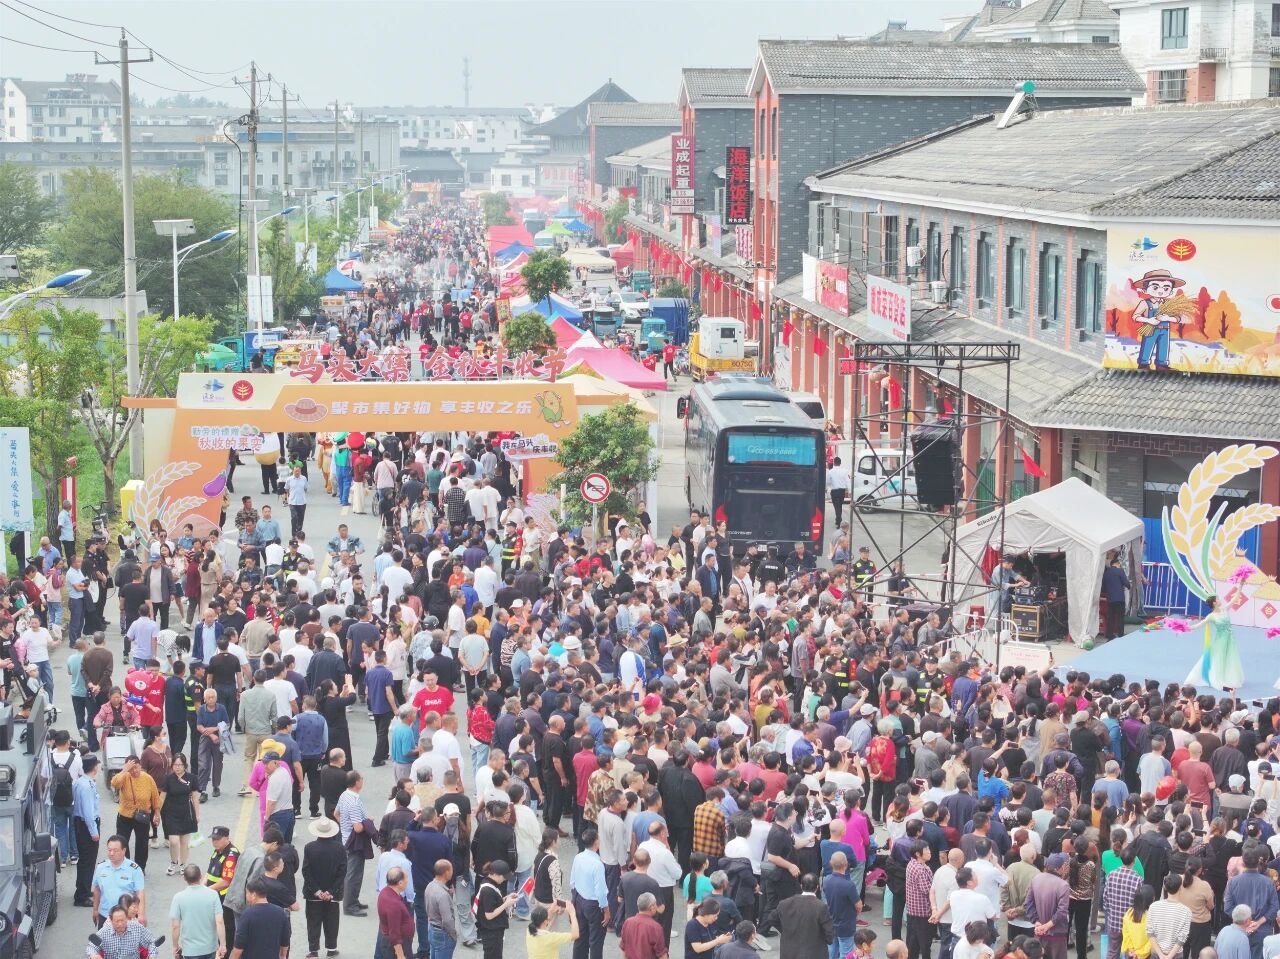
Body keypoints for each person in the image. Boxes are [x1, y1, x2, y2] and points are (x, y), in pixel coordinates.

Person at [302, 815, 346, 958]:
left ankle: (313, 950)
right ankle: (331, 948)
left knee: (313, 921)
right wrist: (331, 891)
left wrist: (317, 890)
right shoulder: (340, 848)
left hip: (313, 894)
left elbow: (306, 871)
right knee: (332, 921)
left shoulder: (309, 848)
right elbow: (342, 872)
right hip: (333, 894)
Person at [111, 754, 160, 872]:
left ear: (140, 766)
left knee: (142, 844)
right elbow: (114, 783)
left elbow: (155, 797)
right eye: (131, 768)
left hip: (142, 816)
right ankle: (125, 867)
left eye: (136, 767)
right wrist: (124, 770)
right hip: (125, 816)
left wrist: (157, 813)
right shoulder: (124, 777)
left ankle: (140, 868)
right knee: (122, 842)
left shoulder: (148, 778)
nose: (134, 771)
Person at [1184, 594, 1243, 690]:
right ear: (1214, 603)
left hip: (1230, 639)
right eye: (1218, 599)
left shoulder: (1224, 609)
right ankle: (1208, 677)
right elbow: (1199, 625)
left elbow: (1235, 599)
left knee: (1230, 658)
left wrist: (1240, 586)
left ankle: (1227, 677)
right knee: (1217, 658)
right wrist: (1186, 628)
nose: (1220, 600)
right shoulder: (1211, 616)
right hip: (1220, 641)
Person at [170, 862, 227, 959]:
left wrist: (175, 946)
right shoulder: (213, 894)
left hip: (190, 950)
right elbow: (219, 921)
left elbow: (175, 926)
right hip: (210, 947)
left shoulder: (178, 898)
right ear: (200, 876)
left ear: (184, 878)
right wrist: (222, 945)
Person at [569, 826, 610, 959]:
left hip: (579, 899)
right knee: (596, 942)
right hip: (593, 905)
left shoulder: (578, 857)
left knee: (580, 938)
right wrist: (606, 910)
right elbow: (601, 892)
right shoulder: (597, 864)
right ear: (596, 842)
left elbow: (572, 882)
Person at [92, 835, 146, 929]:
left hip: (127, 917)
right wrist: (95, 909)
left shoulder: (134, 869)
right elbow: (97, 889)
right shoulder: (101, 867)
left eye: (115, 850)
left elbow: (140, 893)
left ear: (124, 850)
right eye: (109, 850)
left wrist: (141, 914)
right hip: (105, 915)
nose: (111, 853)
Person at [158, 752, 200, 876]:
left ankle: (183, 864)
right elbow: (162, 797)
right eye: (175, 765)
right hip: (170, 813)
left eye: (180, 765)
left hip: (187, 813)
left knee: (184, 842)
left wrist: (197, 815)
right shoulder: (168, 779)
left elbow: (195, 798)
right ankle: (173, 862)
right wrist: (157, 812)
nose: (177, 767)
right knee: (173, 841)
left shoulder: (192, 778)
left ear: (185, 765)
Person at [230, 878, 291, 959]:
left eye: (247, 893)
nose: (246, 896)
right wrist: (283, 955)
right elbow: (285, 939)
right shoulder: (280, 912)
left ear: (254, 895)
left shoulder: (247, 914)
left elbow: (239, 945)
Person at [776, 872, 834, 959]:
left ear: (801, 886)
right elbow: (829, 934)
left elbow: (772, 918)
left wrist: (785, 929)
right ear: (817, 887)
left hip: (789, 953)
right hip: (813, 953)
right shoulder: (821, 907)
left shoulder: (784, 903)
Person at [72, 754, 103, 907]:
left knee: (85, 860)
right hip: (86, 825)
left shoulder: (81, 782)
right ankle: (82, 895)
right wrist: (94, 832)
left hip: (82, 824)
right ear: (94, 767)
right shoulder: (86, 786)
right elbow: (88, 812)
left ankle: (83, 889)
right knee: (88, 861)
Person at [474, 859, 518, 959]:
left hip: (492, 930)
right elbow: (489, 915)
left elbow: (493, 902)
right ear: (495, 874)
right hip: (491, 932)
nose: (505, 879)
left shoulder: (488, 882)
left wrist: (506, 898)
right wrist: (506, 904)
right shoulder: (488, 890)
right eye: (504, 877)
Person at [376, 865, 416, 959]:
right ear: (400, 883)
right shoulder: (394, 904)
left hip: (392, 942)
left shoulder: (385, 891)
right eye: (406, 878)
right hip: (398, 946)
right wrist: (400, 955)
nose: (407, 881)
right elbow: (394, 933)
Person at [424, 858, 458, 959]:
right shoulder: (442, 894)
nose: (452, 872)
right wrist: (453, 935)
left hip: (432, 929)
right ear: (446, 872)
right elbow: (447, 920)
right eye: (451, 870)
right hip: (442, 933)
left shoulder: (430, 885)